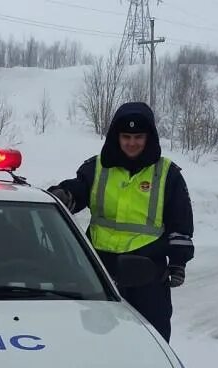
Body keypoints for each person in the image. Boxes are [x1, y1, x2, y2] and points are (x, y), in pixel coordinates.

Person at [48, 101, 194, 342]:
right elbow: (79, 189)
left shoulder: (167, 174)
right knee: (95, 341)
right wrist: (65, 194)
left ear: (149, 137)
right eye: (126, 136)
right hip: (99, 272)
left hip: (148, 274)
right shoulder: (96, 167)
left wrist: (178, 263)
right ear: (116, 137)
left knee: (151, 341)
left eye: (138, 136)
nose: (132, 143)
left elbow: (180, 222)